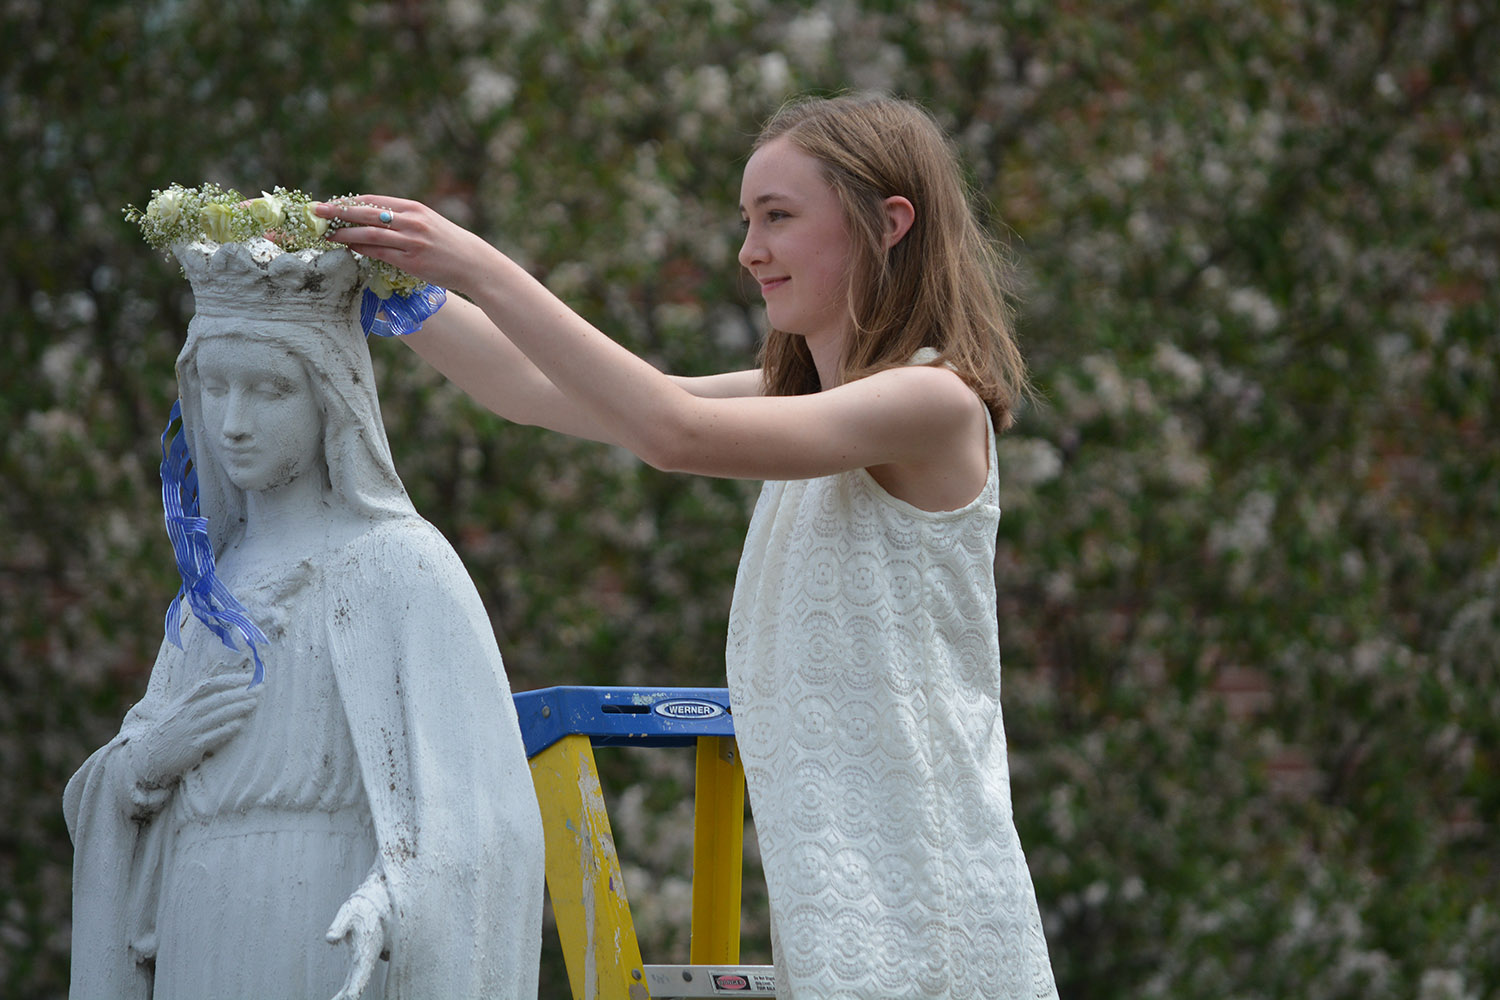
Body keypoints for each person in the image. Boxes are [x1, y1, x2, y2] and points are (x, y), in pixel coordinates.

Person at [321, 92, 1059, 1000]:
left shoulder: (932, 401)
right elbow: (530, 390)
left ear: (889, 222)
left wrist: (472, 259)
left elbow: (670, 431)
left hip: (932, 914)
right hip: (844, 919)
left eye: (778, 217)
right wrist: (379, 284)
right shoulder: (804, 404)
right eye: (747, 220)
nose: (749, 250)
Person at [63, 241, 545, 1000]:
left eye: (270, 390)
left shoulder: (402, 564)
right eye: (215, 388)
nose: (233, 422)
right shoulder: (209, 595)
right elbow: (111, 792)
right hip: (198, 921)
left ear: (331, 395)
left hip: (326, 916)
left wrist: (398, 895)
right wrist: (147, 761)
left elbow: (481, 813)